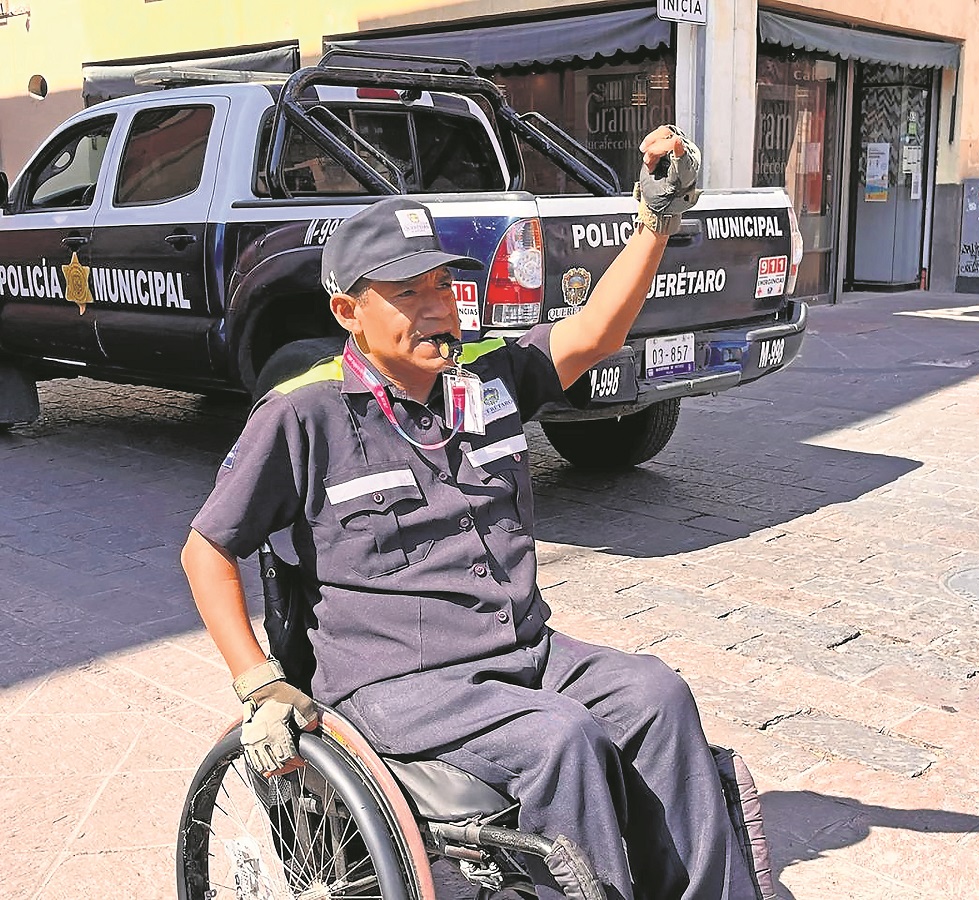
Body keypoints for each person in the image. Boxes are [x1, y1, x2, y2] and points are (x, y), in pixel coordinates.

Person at [181, 125, 758, 900]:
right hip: (397, 681)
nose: (435, 309)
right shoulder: (304, 413)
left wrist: (654, 221)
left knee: (656, 693)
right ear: (348, 310)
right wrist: (257, 681)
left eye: (443, 287)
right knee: (563, 741)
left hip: (522, 650)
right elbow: (206, 549)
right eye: (407, 293)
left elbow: (595, 333)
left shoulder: (485, 379)